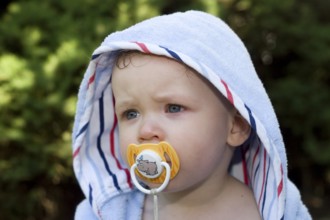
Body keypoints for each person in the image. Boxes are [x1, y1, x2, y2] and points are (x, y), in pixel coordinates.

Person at [72, 10, 311, 219]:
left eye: (173, 108)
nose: (145, 131)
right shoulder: (104, 213)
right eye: (131, 113)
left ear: (236, 127)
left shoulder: (273, 211)